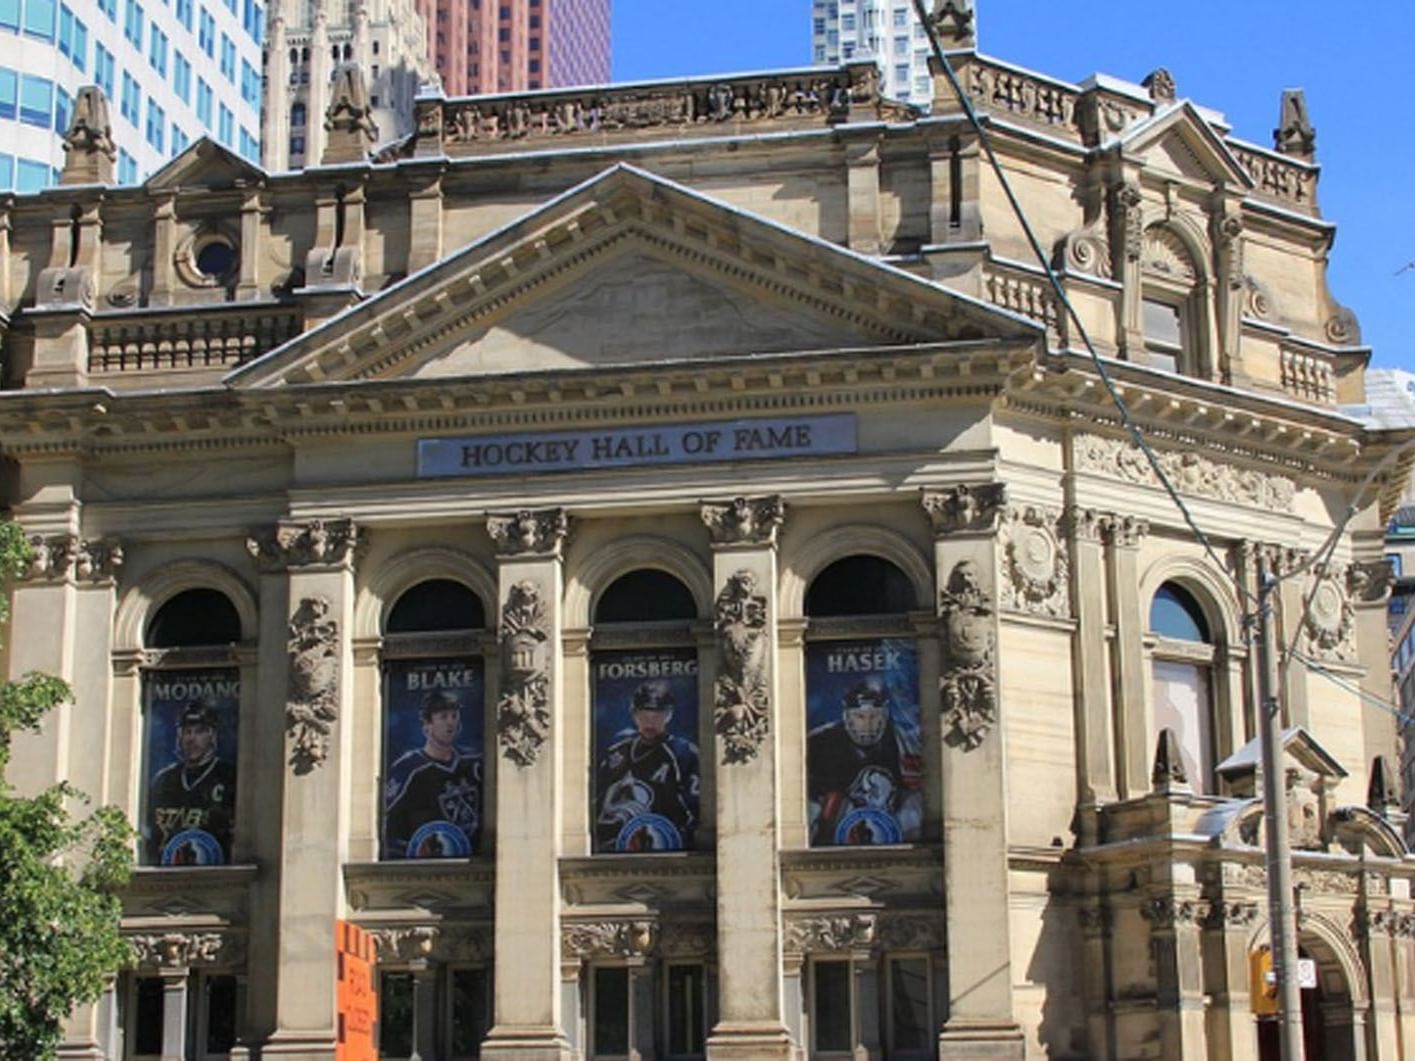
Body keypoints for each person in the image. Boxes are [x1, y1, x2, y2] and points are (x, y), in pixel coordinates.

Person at [807, 679, 923, 846]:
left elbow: (915, 791)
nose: (868, 724)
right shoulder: (818, 743)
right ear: (847, 715)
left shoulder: (902, 742)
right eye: (860, 716)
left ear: (884, 715)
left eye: (874, 716)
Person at [595, 681, 700, 852]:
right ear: (634, 715)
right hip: (618, 847)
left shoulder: (683, 754)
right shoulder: (617, 753)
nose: (649, 723)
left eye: (657, 716)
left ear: (668, 715)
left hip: (669, 846)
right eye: (644, 715)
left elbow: (697, 810)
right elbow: (598, 802)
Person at [384, 690, 483, 858]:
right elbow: (390, 828)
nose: (450, 723)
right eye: (443, 717)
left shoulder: (473, 761)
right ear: (427, 725)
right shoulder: (409, 769)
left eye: (454, 716)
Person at [146, 699, 238, 865]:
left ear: (212, 736)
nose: (192, 738)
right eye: (187, 731)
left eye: (199, 731)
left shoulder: (229, 776)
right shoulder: (164, 779)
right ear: (180, 736)